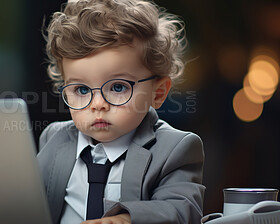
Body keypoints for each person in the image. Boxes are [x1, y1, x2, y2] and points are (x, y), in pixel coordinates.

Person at [37, 0, 205, 223]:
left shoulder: (174, 149)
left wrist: (126, 219)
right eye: (82, 89)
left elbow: (183, 210)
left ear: (158, 93)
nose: (97, 104)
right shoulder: (53, 138)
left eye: (118, 87)